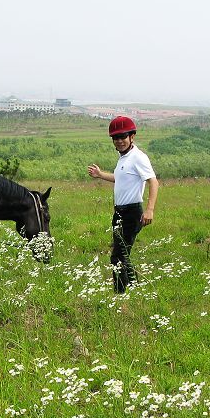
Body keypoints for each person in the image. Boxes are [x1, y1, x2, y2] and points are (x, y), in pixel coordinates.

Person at [87, 116, 159, 293]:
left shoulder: (138, 157)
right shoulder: (123, 158)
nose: (119, 141)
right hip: (119, 213)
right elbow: (119, 179)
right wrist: (100, 174)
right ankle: (134, 289)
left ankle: (120, 294)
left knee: (118, 257)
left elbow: (153, 182)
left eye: (123, 136)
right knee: (122, 255)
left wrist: (149, 210)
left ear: (132, 136)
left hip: (132, 213)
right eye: (115, 138)